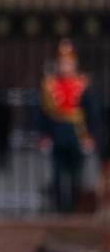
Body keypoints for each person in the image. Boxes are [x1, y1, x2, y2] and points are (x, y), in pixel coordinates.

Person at [40, 40, 99, 213]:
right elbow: (44, 115)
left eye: (68, 63)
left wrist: (90, 136)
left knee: (76, 174)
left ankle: (74, 207)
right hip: (58, 133)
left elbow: (91, 114)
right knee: (58, 174)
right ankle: (60, 208)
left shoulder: (82, 85)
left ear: (75, 64)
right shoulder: (50, 85)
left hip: (76, 133)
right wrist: (45, 136)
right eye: (62, 63)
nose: (65, 67)